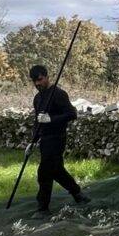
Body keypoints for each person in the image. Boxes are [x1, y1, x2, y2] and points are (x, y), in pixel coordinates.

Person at [29, 64, 90, 215]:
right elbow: (38, 122)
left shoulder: (58, 94)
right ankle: (77, 194)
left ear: (47, 76)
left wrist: (51, 119)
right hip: (45, 140)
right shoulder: (37, 98)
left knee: (44, 172)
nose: (37, 84)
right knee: (56, 170)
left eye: (40, 80)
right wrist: (32, 142)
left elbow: (72, 114)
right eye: (34, 81)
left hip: (57, 138)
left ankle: (43, 208)